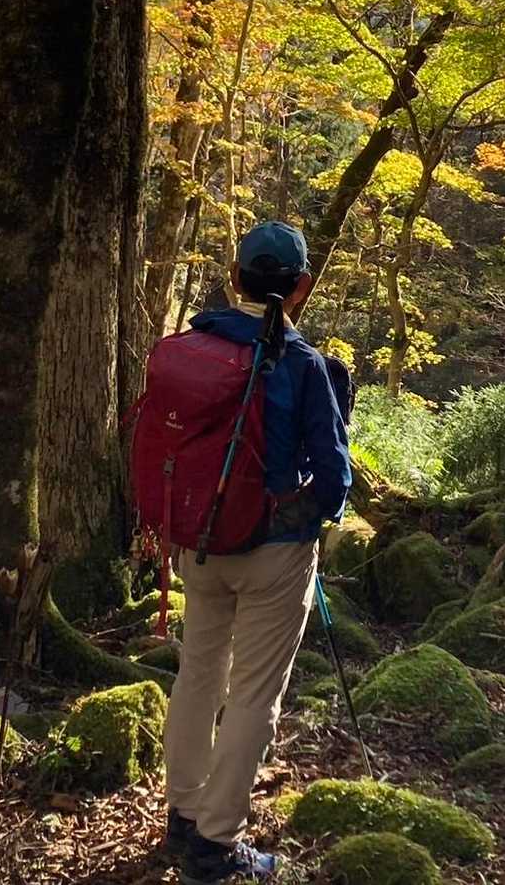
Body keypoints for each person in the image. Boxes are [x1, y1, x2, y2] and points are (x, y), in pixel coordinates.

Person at [161, 220, 352, 883]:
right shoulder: (303, 364)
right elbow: (334, 477)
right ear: (301, 286)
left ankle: (183, 815)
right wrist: (313, 517)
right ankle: (215, 843)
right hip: (275, 552)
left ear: (235, 278)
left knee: (197, 673)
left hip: (199, 540)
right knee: (252, 696)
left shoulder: (192, 346)